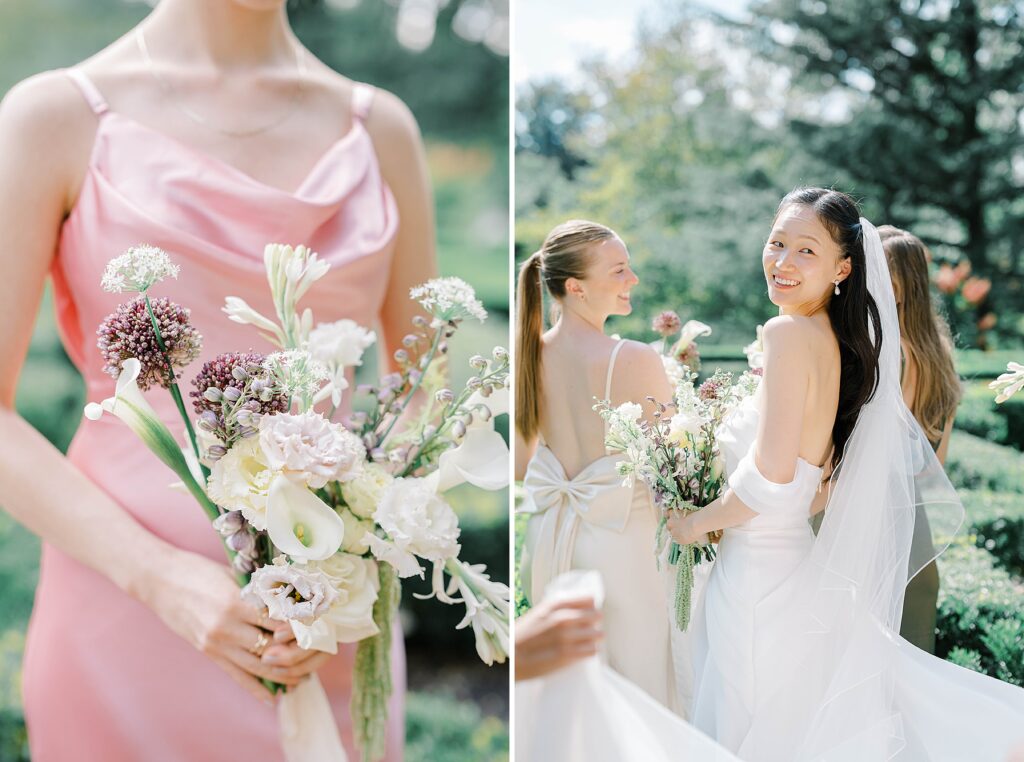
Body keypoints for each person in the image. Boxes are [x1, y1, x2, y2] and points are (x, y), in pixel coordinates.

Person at [0, 0, 436, 758]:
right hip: (123, 611)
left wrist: (353, 549)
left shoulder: (382, 129)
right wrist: (159, 578)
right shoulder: (55, 116)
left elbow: (421, 387)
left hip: (327, 620)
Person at [668, 188, 1024, 760]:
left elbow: (770, 480)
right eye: (777, 243)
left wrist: (692, 522)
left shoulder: (786, 334)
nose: (782, 262)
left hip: (760, 580)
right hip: (787, 567)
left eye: (805, 251)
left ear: (843, 268)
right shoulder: (835, 342)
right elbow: (818, 483)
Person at [514, 219, 684, 713]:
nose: (632, 280)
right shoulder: (631, 358)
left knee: (574, 692)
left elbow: (523, 463)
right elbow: (674, 466)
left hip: (551, 541)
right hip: (624, 546)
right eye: (620, 270)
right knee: (640, 688)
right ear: (575, 287)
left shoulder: (530, 354)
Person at [881, 224, 961, 653]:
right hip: (916, 524)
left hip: (877, 517)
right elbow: (936, 466)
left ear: (896, 287)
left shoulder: (888, 350)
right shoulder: (938, 350)